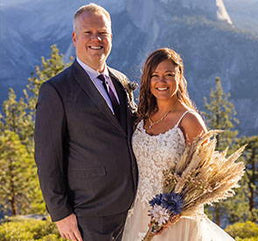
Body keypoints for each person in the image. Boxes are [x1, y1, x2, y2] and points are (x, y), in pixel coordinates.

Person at [34, 3, 138, 241]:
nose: (96, 39)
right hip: (89, 214)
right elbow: (47, 158)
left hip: (133, 209)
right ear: (74, 37)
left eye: (102, 33)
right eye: (88, 33)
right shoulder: (56, 90)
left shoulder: (121, 81)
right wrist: (61, 214)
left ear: (111, 37)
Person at [121, 48, 235, 241]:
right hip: (138, 212)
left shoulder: (189, 120)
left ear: (180, 76)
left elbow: (203, 176)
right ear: (147, 80)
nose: (161, 82)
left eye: (169, 75)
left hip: (175, 221)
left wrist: (175, 212)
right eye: (155, 75)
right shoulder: (143, 118)